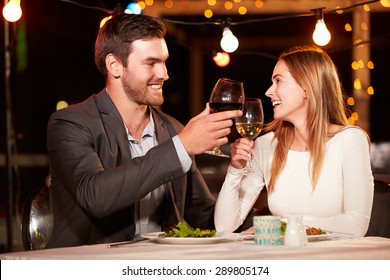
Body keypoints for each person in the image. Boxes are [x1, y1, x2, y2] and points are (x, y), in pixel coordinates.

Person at [45, 13, 242, 248]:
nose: (164, 74)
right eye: (151, 63)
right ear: (114, 65)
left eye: (164, 62)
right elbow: (95, 196)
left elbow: (203, 218)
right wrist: (182, 146)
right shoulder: (70, 122)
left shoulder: (171, 128)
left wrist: (242, 179)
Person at [214, 45, 374, 237]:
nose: (268, 91)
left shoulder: (350, 141)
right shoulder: (266, 145)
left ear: (306, 87)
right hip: (283, 258)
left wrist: (280, 224)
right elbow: (224, 226)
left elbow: (357, 225)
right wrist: (235, 170)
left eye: (278, 81)